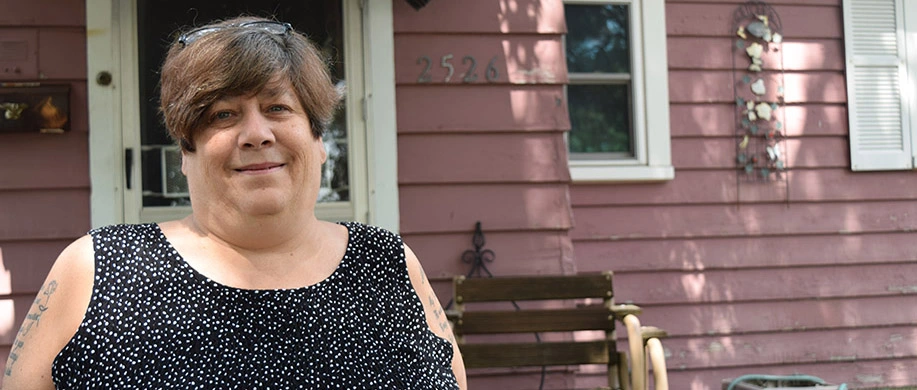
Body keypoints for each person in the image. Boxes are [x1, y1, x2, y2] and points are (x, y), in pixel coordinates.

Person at [3, 16, 466, 389]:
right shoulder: (98, 269)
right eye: (223, 115)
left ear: (319, 140)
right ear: (186, 152)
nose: (256, 134)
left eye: (278, 108)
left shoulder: (388, 263)